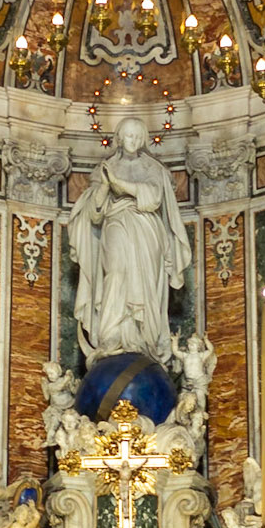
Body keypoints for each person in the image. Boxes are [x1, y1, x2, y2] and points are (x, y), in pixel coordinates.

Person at [70, 115, 192, 363]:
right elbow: (94, 213)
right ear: (118, 138)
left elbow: (154, 198)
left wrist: (119, 184)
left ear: (145, 139)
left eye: (138, 136)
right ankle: (112, 336)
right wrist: (105, 186)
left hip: (147, 229)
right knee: (115, 272)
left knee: (145, 279)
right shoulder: (104, 169)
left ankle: (143, 339)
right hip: (115, 223)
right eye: (128, 135)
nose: (133, 140)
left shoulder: (153, 168)